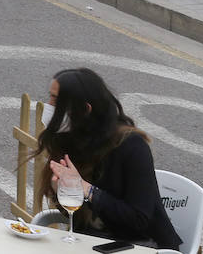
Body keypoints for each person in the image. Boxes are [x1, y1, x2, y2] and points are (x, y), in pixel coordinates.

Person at [34, 68, 181, 250]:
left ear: (85, 109)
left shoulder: (131, 145)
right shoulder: (69, 139)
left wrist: (86, 189)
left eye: (56, 100)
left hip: (141, 245)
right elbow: (79, 216)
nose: (48, 105)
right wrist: (62, 193)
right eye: (51, 97)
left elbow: (139, 220)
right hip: (91, 242)